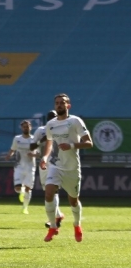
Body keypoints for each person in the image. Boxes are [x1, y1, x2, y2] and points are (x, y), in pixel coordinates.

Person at [40, 93, 92, 242]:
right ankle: (53, 227)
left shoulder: (75, 121)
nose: (59, 105)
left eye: (62, 102)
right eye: (57, 103)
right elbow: (50, 142)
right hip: (56, 165)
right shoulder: (51, 124)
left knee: (73, 201)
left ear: (68, 105)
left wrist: (71, 145)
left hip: (72, 168)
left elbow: (89, 143)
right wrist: (45, 157)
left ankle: (77, 224)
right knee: (48, 193)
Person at [30, 110, 64, 229]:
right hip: (44, 163)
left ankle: (53, 219)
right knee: (48, 192)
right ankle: (58, 215)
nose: (52, 119)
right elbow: (32, 146)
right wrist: (42, 140)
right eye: (50, 117)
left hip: (57, 163)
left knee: (54, 190)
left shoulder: (62, 130)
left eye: (54, 116)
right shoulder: (40, 130)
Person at [4, 120, 36, 214]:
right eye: (24, 127)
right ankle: (21, 192)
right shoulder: (17, 138)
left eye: (27, 126)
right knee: (17, 188)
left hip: (30, 167)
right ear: (21, 128)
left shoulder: (34, 139)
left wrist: (33, 155)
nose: (26, 128)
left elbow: (39, 153)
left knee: (28, 189)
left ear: (30, 127)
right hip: (19, 166)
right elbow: (12, 149)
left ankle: (25, 208)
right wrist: (9, 155)